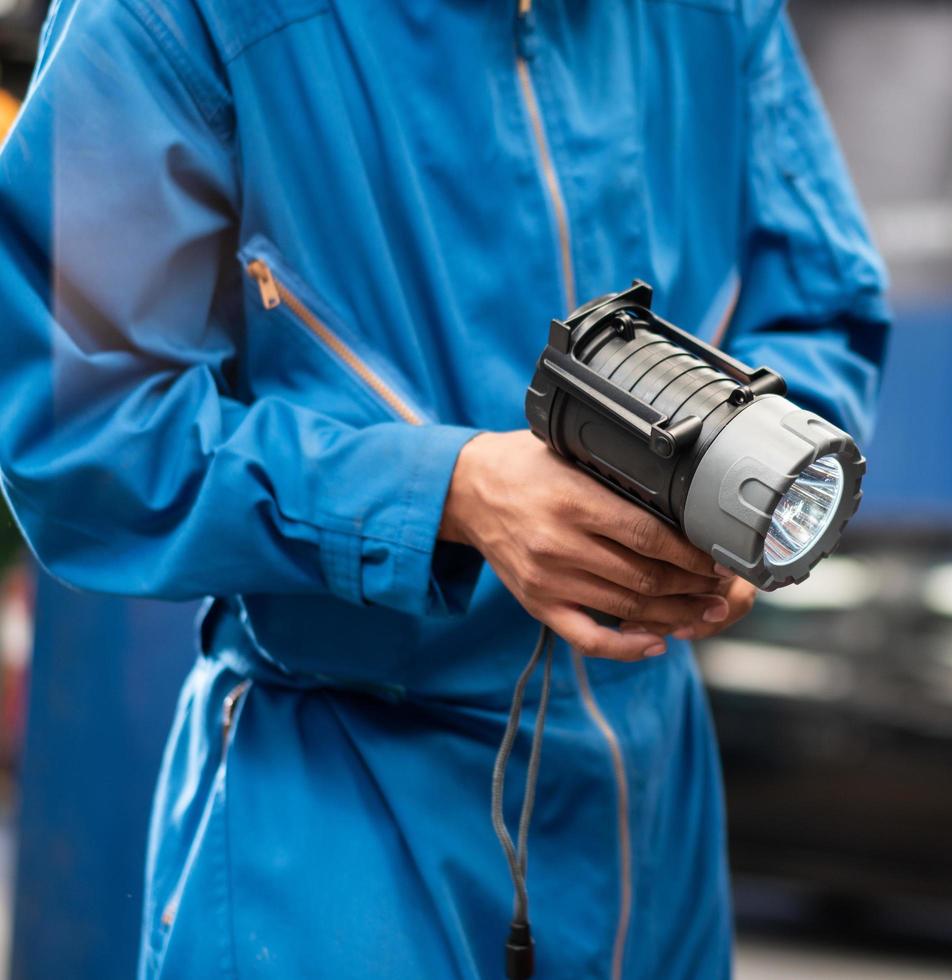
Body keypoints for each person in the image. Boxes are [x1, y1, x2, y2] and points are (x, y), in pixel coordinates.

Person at [0, 0, 889, 976]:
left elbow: (823, 308)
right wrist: (450, 493)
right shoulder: (181, 17)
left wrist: (738, 486)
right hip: (341, 808)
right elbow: (78, 428)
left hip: (654, 801)